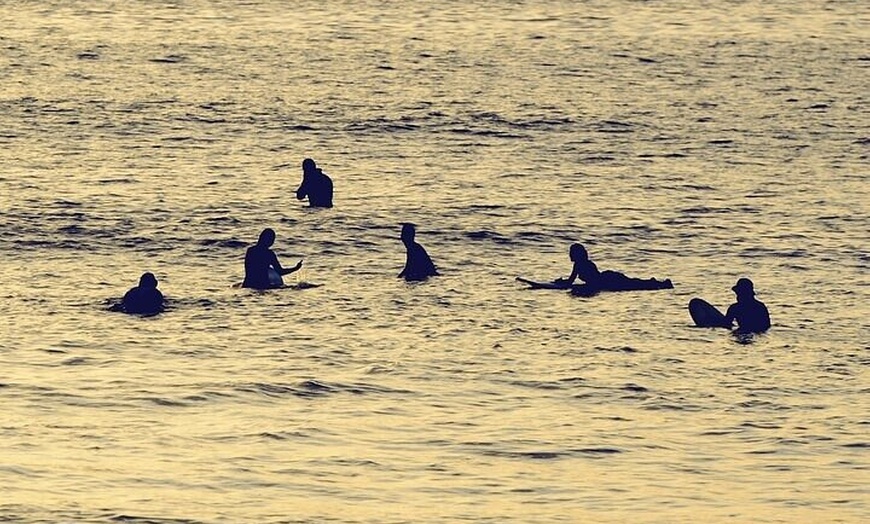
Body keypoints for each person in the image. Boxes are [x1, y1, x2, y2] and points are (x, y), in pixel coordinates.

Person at [556, 243, 673, 292]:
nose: (569, 255)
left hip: (607, 280)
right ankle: (659, 283)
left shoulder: (579, 265)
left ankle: (660, 284)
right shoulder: (586, 263)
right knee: (633, 282)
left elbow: (571, 281)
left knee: (633, 284)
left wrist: (561, 283)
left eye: (571, 252)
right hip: (607, 277)